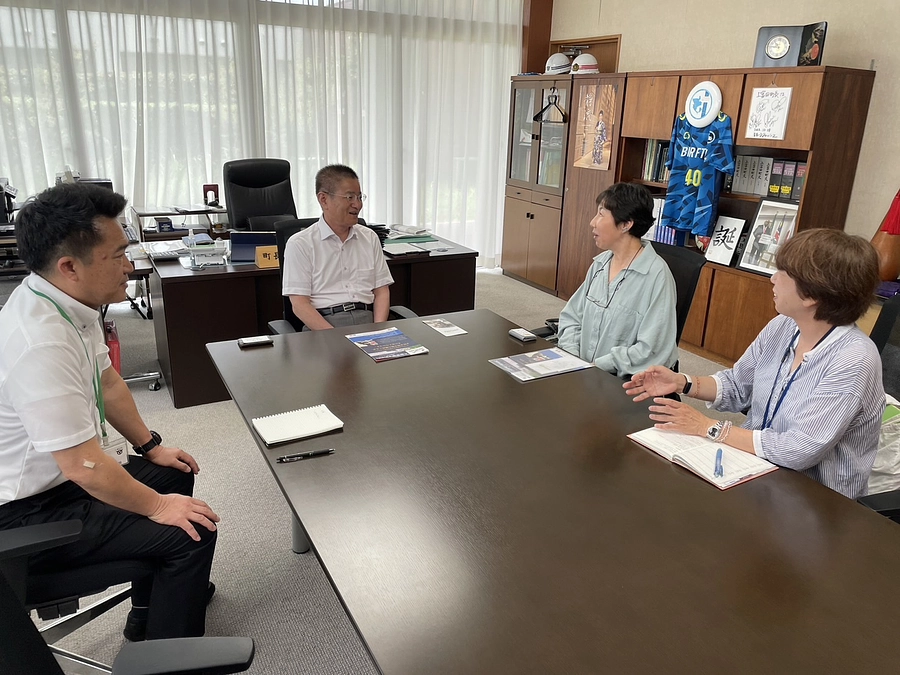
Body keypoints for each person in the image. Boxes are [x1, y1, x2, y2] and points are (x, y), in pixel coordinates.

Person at [0, 183, 219, 641]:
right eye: (118, 254)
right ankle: (169, 660)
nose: (131, 265)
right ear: (69, 267)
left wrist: (150, 445)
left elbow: (107, 381)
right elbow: (82, 464)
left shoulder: (65, 303)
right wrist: (157, 507)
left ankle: (153, 610)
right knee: (189, 530)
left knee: (175, 474)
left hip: (60, 483)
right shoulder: (39, 341)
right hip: (24, 515)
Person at [624, 228, 884, 499]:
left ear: (810, 296)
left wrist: (708, 427)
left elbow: (798, 450)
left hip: (815, 500)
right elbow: (738, 385)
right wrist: (684, 382)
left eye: (783, 273)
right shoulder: (784, 326)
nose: (773, 278)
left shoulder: (853, 360)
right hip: (754, 469)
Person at [556, 182, 678, 377]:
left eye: (601, 214)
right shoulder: (600, 264)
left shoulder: (657, 276)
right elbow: (571, 317)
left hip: (620, 383)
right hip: (580, 373)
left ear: (625, 224)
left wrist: (599, 365)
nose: (593, 222)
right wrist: (573, 358)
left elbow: (652, 350)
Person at [282, 164, 393, 329]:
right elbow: (300, 305)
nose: (358, 205)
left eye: (360, 197)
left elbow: (381, 291)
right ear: (324, 199)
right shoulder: (300, 244)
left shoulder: (369, 237)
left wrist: (379, 331)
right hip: (324, 327)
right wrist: (335, 338)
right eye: (350, 197)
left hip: (368, 322)